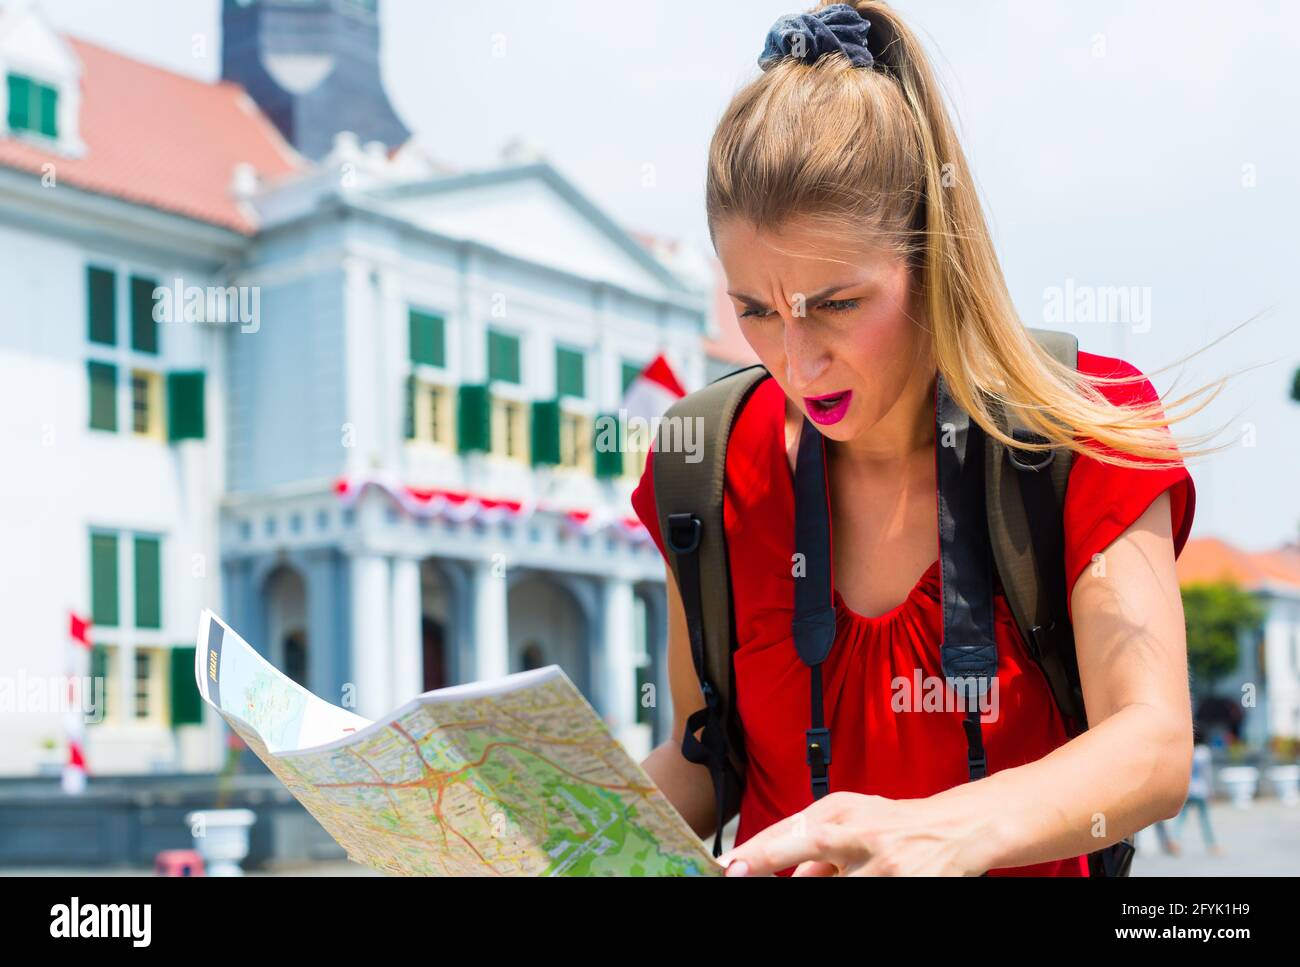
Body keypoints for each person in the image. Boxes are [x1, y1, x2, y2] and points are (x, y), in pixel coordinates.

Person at [634, 1, 1236, 877]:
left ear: (934, 254)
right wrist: (540, 828)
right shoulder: (701, 462)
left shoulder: (1081, 426)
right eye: (754, 310)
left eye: (836, 305)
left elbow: (1151, 746)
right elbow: (705, 759)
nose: (796, 362)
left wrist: (942, 833)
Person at [1172, 738, 1222, 855]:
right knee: (1205, 819)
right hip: (1201, 789)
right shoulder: (1204, 752)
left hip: (1188, 789)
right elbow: (1207, 773)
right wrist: (1211, 790)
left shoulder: (1185, 749)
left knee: (1181, 818)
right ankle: (1211, 844)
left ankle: (1175, 840)